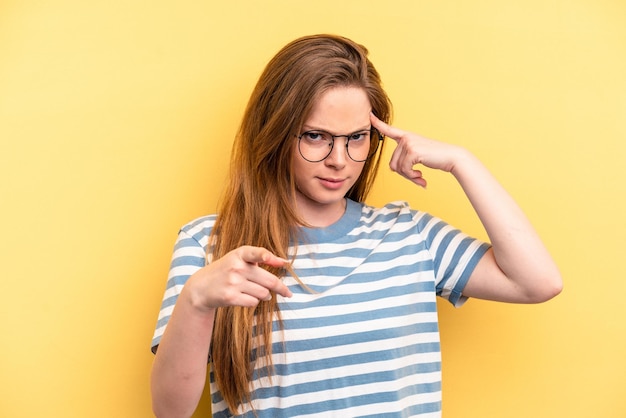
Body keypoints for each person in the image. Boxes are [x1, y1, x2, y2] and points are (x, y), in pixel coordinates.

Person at [150, 34, 562, 418]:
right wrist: (196, 301)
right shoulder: (208, 244)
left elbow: (537, 282)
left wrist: (462, 162)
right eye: (315, 136)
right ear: (274, 133)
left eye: (357, 137)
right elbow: (171, 410)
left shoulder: (410, 236)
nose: (339, 160)